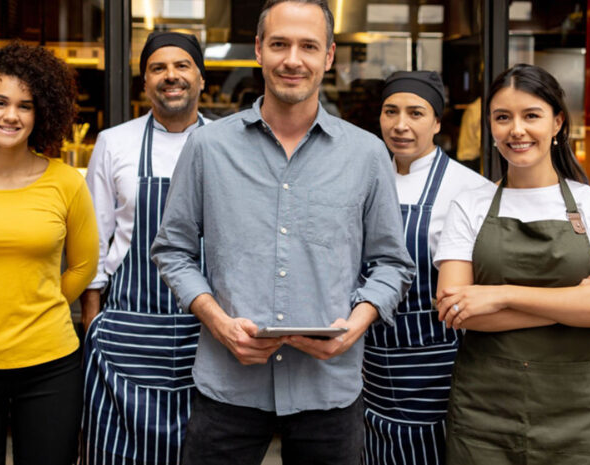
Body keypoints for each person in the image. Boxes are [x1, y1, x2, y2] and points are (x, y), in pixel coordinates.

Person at [151, 1, 416, 464]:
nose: (293, 59)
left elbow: (393, 263)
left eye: (308, 46)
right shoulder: (208, 147)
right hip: (229, 384)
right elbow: (172, 249)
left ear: (329, 56)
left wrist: (357, 324)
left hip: (327, 388)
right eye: (279, 44)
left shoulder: (367, 154)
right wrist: (217, 321)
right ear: (258, 50)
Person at [434, 63, 590, 464]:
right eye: (503, 117)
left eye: (531, 115)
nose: (517, 130)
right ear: (490, 126)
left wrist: (499, 295)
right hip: (486, 413)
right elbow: (455, 309)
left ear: (557, 122)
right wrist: (576, 304)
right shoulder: (469, 205)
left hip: (579, 414)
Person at [0, 42, 99, 465]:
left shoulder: (66, 182)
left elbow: (84, 264)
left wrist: (38, 303)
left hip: (50, 362)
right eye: (1, 102)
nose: (11, 115)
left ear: (40, 113)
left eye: (25, 106)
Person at [80, 31, 207, 465]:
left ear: (201, 79)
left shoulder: (231, 143)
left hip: (207, 333)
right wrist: (93, 320)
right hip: (128, 331)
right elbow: (95, 235)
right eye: (158, 68)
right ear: (144, 82)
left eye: (182, 65)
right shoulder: (114, 142)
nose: (170, 76)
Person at [362, 71, 490, 465]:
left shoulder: (469, 190)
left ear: (437, 122)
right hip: (368, 359)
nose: (400, 125)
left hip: (434, 365)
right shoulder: (365, 178)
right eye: (390, 112)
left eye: (416, 113)